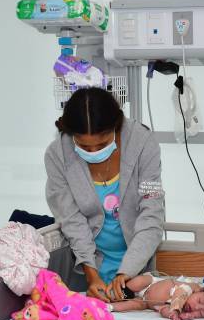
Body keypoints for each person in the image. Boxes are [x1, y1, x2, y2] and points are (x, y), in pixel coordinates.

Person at [45, 87, 165, 303]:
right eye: (84, 146)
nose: (93, 152)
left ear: (116, 127)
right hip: (86, 266)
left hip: (137, 264)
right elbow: (71, 221)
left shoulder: (142, 143)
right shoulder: (58, 155)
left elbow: (151, 215)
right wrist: (92, 275)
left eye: (102, 144)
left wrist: (127, 271)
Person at [109, 274, 204, 320]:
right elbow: (180, 293)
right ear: (200, 290)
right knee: (138, 282)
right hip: (150, 283)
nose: (195, 307)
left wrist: (173, 315)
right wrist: (176, 309)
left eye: (201, 313)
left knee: (133, 305)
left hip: (145, 302)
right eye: (199, 301)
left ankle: (108, 306)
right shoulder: (191, 288)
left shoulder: (180, 310)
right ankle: (116, 294)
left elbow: (163, 310)